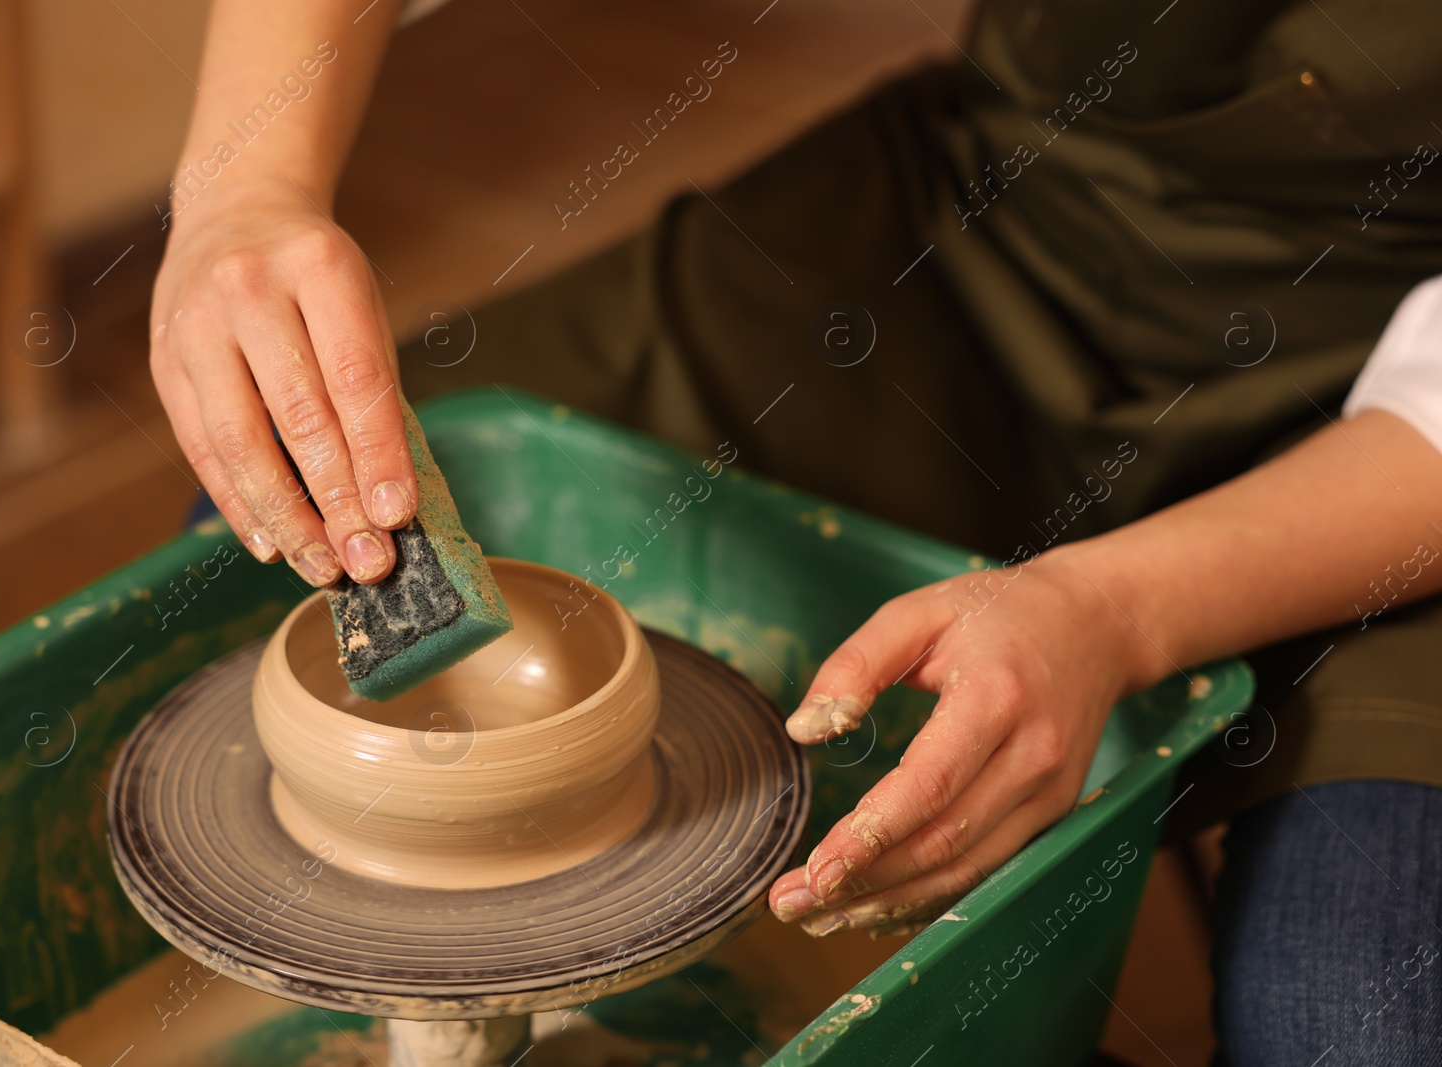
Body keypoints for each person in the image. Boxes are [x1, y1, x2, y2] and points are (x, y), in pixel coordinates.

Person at [150, 1, 1442, 1061]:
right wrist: (241, 195)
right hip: (1007, 213)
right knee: (278, 469)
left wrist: (1115, 610)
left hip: (1385, 434)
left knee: (1354, 1027)